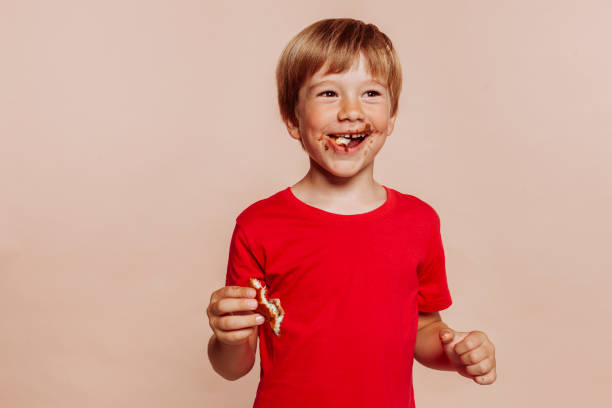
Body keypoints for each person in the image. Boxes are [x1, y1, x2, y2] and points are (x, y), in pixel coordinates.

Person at [206, 18, 497, 407]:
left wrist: (456, 352)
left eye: (371, 93)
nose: (350, 111)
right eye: (328, 93)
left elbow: (424, 328)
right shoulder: (258, 226)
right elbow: (233, 366)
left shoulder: (419, 222)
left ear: (391, 117)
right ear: (293, 119)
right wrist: (228, 338)